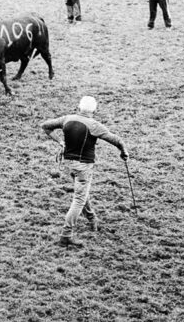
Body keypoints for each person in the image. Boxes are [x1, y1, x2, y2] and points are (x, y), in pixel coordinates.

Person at [40, 96, 129, 247]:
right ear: (94, 110)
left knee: (81, 191)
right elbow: (117, 140)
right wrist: (124, 152)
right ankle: (66, 235)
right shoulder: (94, 125)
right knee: (79, 200)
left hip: (69, 164)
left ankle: (91, 218)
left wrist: (61, 142)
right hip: (84, 166)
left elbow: (45, 126)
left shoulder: (67, 119)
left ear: (78, 107)